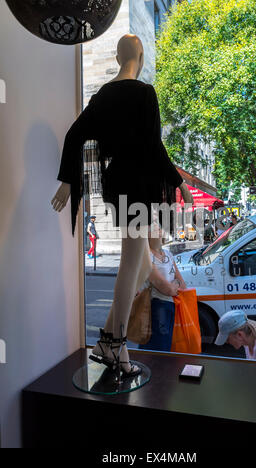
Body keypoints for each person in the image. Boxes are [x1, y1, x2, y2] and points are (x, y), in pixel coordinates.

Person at [51, 34, 193, 378]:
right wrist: (179, 183)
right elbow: (153, 146)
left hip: (117, 183)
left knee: (140, 266)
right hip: (138, 185)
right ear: (139, 55)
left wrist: (69, 181)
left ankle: (111, 346)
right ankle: (114, 342)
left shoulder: (102, 96)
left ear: (117, 57)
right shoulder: (144, 93)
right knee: (132, 264)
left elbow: (74, 135)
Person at [138, 223, 187, 352]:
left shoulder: (168, 254)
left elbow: (182, 284)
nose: (159, 231)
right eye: (154, 229)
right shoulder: (146, 256)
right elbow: (167, 289)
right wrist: (173, 286)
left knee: (167, 347)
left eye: (160, 228)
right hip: (155, 308)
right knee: (157, 349)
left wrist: (173, 286)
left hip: (171, 305)